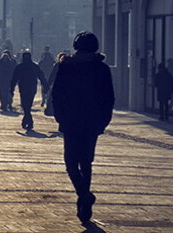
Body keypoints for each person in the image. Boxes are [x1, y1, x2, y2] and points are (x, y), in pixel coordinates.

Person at [52, 31, 114, 227]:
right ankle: (84, 197)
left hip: (71, 120)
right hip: (92, 121)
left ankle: (84, 196)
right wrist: (103, 120)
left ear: (76, 46)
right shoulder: (101, 68)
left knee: (70, 162)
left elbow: (57, 93)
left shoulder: (67, 66)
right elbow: (108, 97)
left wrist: (60, 116)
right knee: (85, 161)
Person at [10, 51, 47, 130]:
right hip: (31, 88)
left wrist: (12, 88)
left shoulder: (20, 66)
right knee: (28, 105)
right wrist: (45, 85)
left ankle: (27, 120)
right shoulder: (34, 66)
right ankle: (28, 120)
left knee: (25, 105)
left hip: (23, 88)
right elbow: (41, 76)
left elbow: (14, 78)